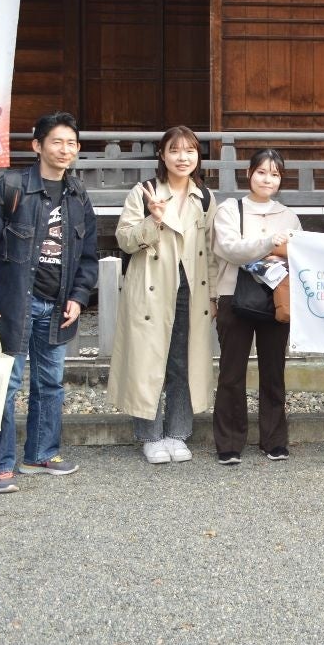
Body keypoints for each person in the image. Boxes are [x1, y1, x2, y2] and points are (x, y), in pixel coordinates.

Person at [0, 113, 98, 494]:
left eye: (71, 143)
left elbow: (88, 255)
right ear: (37, 145)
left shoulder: (77, 194)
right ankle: (0, 464)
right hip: (11, 305)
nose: (65, 150)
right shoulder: (10, 187)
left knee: (50, 383)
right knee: (5, 384)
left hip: (57, 306)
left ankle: (40, 453)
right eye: (57, 142)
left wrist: (78, 296)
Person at [108, 126, 217, 465]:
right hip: (151, 289)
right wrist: (153, 220)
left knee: (183, 361)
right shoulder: (145, 192)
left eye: (189, 151)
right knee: (148, 360)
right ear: (162, 155)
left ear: (198, 156)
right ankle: (150, 436)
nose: (183, 157)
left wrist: (214, 295)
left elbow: (212, 252)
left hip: (191, 290)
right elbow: (124, 240)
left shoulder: (205, 197)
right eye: (175, 150)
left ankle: (178, 433)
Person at [211, 149, 302, 465]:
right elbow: (230, 249)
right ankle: (229, 442)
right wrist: (270, 245)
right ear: (249, 173)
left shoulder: (289, 216)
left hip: (277, 298)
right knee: (231, 372)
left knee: (274, 371)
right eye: (261, 172)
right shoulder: (229, 210)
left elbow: (298, 254)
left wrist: (271, 250)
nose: (267, 179)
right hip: (233, 295)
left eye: (275, 174)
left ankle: (274, 440)